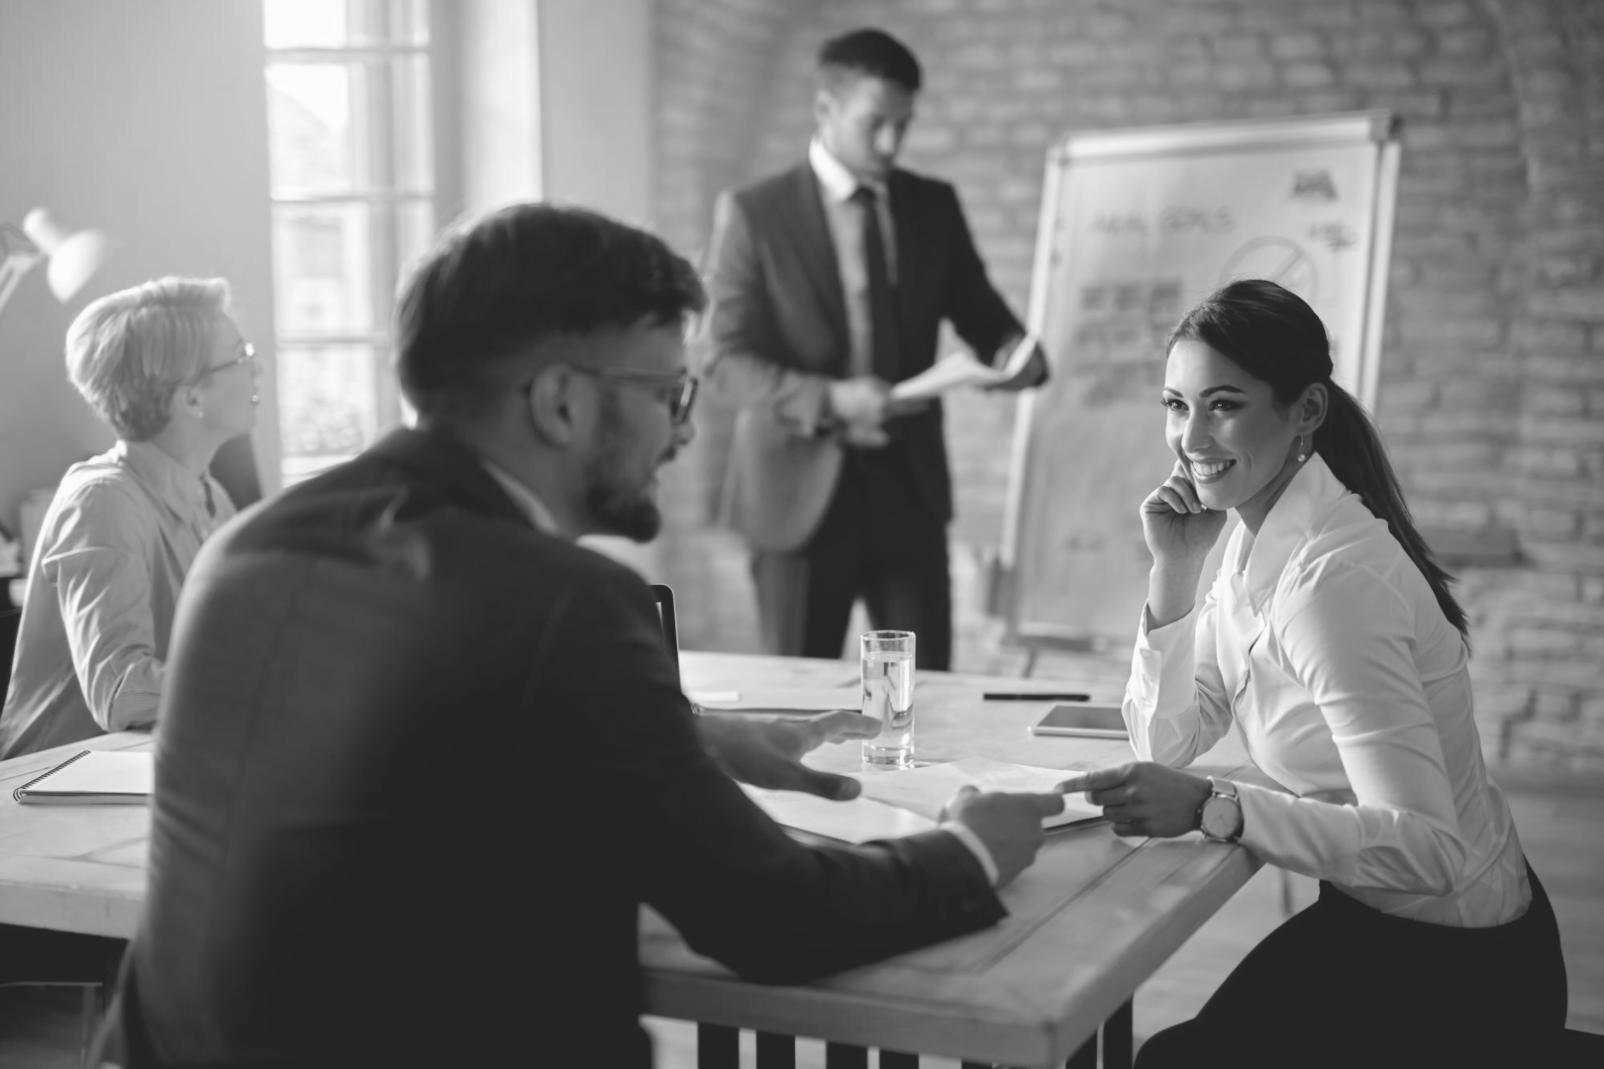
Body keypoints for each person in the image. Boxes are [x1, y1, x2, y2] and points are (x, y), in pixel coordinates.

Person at [96, 203, 1066, 1068]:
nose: (683, 435)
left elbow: (416, 735)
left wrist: (681, 736)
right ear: (561, 401)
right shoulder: (563, 602)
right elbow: (774, 917)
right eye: (667, 395)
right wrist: (968, 849)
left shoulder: (249, 545)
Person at [1060, 280, 1568, 1067]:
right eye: (1175, 403)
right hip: (1376, 915)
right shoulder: (1242, 535)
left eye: (1222, 404)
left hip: (1463, 961)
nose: (1189, 436)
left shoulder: (1334, 584)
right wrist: (1172, 574)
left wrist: (1212, 805)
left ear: (1306, 410)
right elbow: (1167, 740)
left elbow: (1428, 849)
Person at [702, 27, 1048, 671]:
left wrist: (1015, 356)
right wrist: (832, 399)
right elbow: (721, 362)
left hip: (908, 493)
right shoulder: (755, 213)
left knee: (929, 701)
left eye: (904, 125)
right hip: (794, 501)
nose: (892, 143)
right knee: (800, 700)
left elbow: (986, 320)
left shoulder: (932, 206)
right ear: (825, 109)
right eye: (876, 123)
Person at [0, 277, 258, 758]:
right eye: (240, 356)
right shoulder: (104, 502)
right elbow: (120, 694)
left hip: (150, 769)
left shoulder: (212, 498)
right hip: (53, 795)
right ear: (191, 398)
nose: (256, 368)